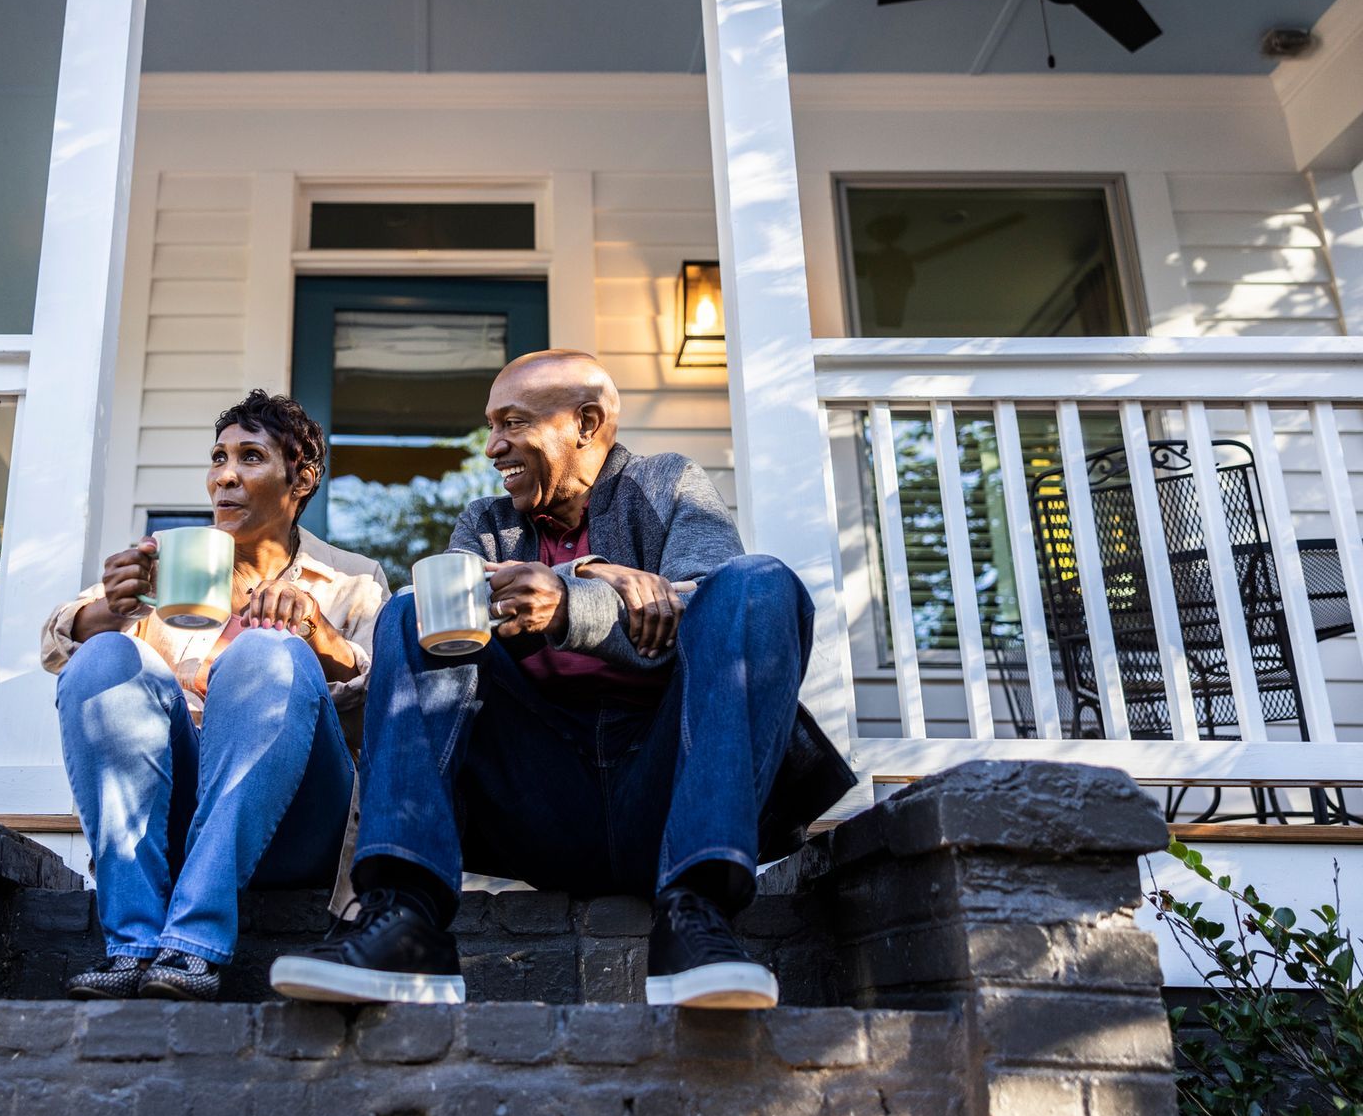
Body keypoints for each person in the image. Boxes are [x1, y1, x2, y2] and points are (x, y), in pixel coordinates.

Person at [269, 351, 854, 1008]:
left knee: (760, 581)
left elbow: (715, 610)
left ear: (587, 423)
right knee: (413, 610)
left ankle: (697, 917)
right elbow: (452, 634)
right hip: (539, 798)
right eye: (491, 426)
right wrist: (600, 575)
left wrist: (570, 607)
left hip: (666, 798)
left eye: (512, 422)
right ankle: (404, 919)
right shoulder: (488, 525)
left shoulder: (668, 486)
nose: (492, 446)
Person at [43, 390, 388, 1001]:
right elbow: (60, 649)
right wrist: (108, 608)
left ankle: (193, 943)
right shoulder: (165, 569)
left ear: (300, 479)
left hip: (297, 825)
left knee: (267, 651)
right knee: (104, 657)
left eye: (250, 457)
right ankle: (133, 944)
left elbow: (384, 709)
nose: (224, 476)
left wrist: (317, 633)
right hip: (172, 819)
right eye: (218, 457)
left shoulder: (353, 581)